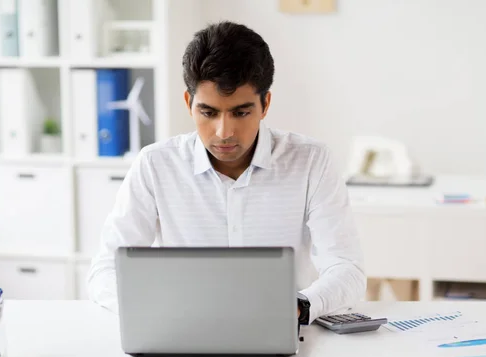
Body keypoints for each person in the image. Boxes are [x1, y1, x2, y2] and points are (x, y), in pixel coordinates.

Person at [88, 21, 366, 324]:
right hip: (181, 331)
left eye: (241, 112)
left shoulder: (311, 161)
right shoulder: (155, 165)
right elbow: (105, 269)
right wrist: (149, 311)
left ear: (265, 104)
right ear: (189, 103)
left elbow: (346, 269)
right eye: (208, 112)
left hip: (281, 331)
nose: (224, 132)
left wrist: (301, 306)